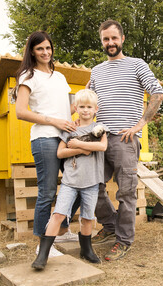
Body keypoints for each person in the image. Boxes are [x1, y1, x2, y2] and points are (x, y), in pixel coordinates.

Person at [89, 19, 163, 261]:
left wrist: (140, 125)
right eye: (105, 39)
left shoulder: (136, 65)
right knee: (92, 186)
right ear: (101, 42)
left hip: (125, 138)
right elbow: (87, 99)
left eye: (114, 38)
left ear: (122, 39)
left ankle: (123, 241)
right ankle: (111, 226)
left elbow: (157, 93)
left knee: (126, 192)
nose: (110, 43)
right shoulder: (96, 71)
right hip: (99, 137)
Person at [31, 89, 109, 270]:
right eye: (81, 106)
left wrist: (80, 143)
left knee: (87, 217)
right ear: (76, 107)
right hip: (70, 181)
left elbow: (102, 146)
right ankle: (43, 254)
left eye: (89, 107)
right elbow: (60, 152)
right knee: (58, 214)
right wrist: (81, 150)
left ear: (96, 109)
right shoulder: (70, 130)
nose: (85, 110)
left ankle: (86, 250)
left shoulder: (100, 128)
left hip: (91, 181)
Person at [14, 30, 78, 243]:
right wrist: (55, 121)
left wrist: (80, 107)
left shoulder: (59, 76)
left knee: (77, 185)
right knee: (48, 193)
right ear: (32, 52)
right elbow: (21, 112)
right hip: (45, 139)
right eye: (40, 48)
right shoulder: (28, 76)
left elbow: (64, 109)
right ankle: (44, 242)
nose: (45, 52)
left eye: (48, 48)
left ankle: (60, 228)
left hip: (66, 139)